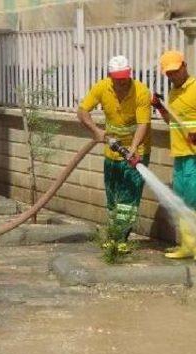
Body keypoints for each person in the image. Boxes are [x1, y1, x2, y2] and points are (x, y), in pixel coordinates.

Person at [77, 55, 152, 241]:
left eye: (125, 77)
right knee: (112, 196)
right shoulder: (102, 87)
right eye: (118, 78)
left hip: (136, 153)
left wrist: (133, 148)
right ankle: (114, 236)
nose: (123, 81)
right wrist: (96, 131)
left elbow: (143, 124)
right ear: (110, 76)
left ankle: (120, 239)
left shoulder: (141, 91)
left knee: (128, 199)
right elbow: (82, 111)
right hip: (112, 152)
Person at [152, 50, 196, 260]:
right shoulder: (173, 93)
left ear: (184, 66)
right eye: (169, 73)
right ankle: (188, 246)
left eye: (175, 71)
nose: (173, 76)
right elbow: (173, 122)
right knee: (182, 200)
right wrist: (160, 108)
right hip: (179, 153)